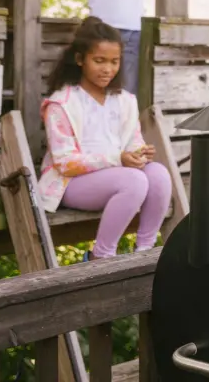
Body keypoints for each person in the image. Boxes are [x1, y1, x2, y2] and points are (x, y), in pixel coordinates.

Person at [39, 17, 173, 261]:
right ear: (80, 60)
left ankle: (145, 252)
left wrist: (138, 153)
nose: (107, 69)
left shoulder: (124, 100)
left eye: (114, 62)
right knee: (133, 180)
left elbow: (131, 140)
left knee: (159, 175)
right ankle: (101, 256)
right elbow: (64, 162)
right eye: (99, 61)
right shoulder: (62, 104)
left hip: (117, 174)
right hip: (71, 183)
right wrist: (118, 158)